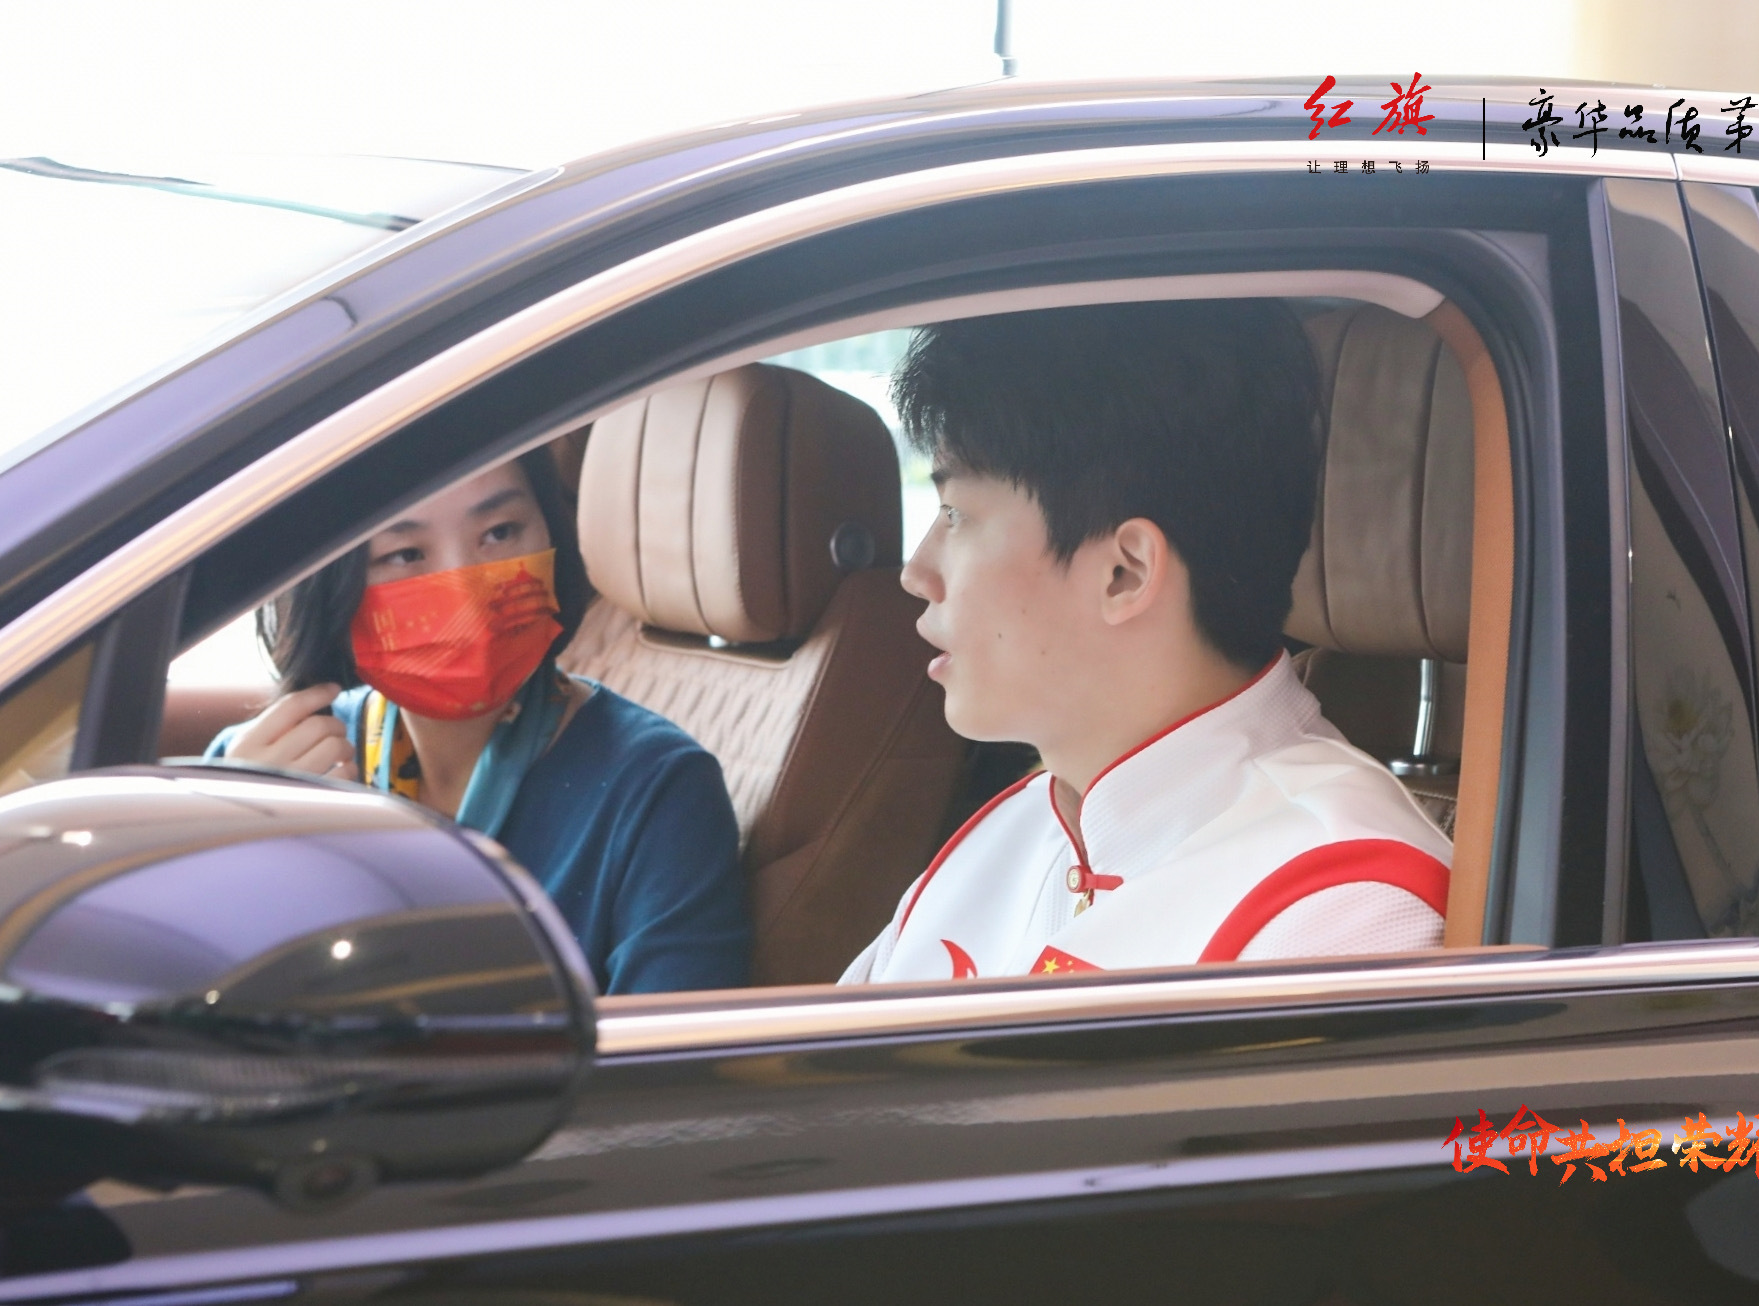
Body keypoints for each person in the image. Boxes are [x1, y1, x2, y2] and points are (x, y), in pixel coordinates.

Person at [841, 299, 1453, 984]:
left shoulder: (1336, 908)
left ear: (1123, 572)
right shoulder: (1005, 833)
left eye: (955, 513)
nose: (915, 572)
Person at [209, 450, 749, 995]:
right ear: (334, 585)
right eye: (405, 554)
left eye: (500, 533)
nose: (466, 593)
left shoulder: (659, 789)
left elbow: (673, 1047)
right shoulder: (260, 776)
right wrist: (243, 866)